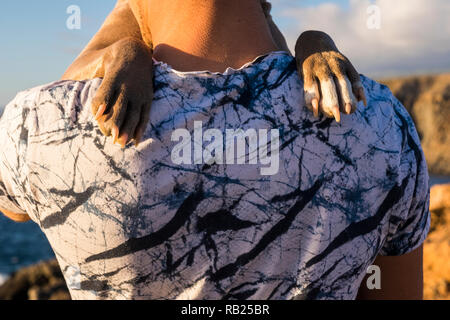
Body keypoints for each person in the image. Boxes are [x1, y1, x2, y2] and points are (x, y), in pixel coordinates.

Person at [0, 0, 429, 299]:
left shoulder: (40, 125)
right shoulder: (384, 124)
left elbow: (17, 208)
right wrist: (126, 52)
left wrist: (314, 44)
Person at [61, 0, 366, 147]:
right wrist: (126, 54)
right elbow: (64, 87)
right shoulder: (134, 8)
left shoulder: (259, 13)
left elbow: (281, 76)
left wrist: (316, 44)